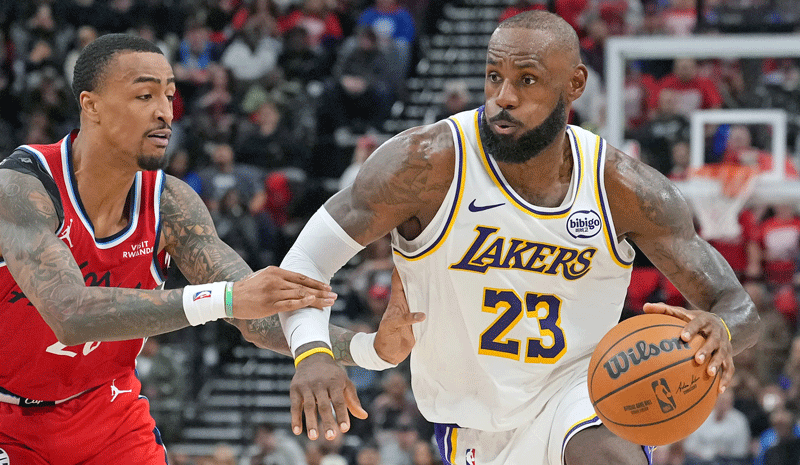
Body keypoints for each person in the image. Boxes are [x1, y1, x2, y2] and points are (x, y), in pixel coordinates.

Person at [278, 11, 760, 465]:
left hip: (583, 392)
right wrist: (313, 351)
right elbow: (305, 261)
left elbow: (736, 305)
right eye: (494, 77)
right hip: (472, 420)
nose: (502, 97)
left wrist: (722, 331)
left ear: (574, 84)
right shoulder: (424, 164)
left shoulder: (623, 188)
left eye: (526, 80)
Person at [0, 33, 421, 465]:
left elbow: (252, 314)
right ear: (91, 106)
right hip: (8, 420)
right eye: (145, 95)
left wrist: (368, 349)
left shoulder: (171, 204)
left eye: (169, 95)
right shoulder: (22, 187)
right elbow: (70, 313)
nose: (165, 112)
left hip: (107, 412)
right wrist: (225, 299)